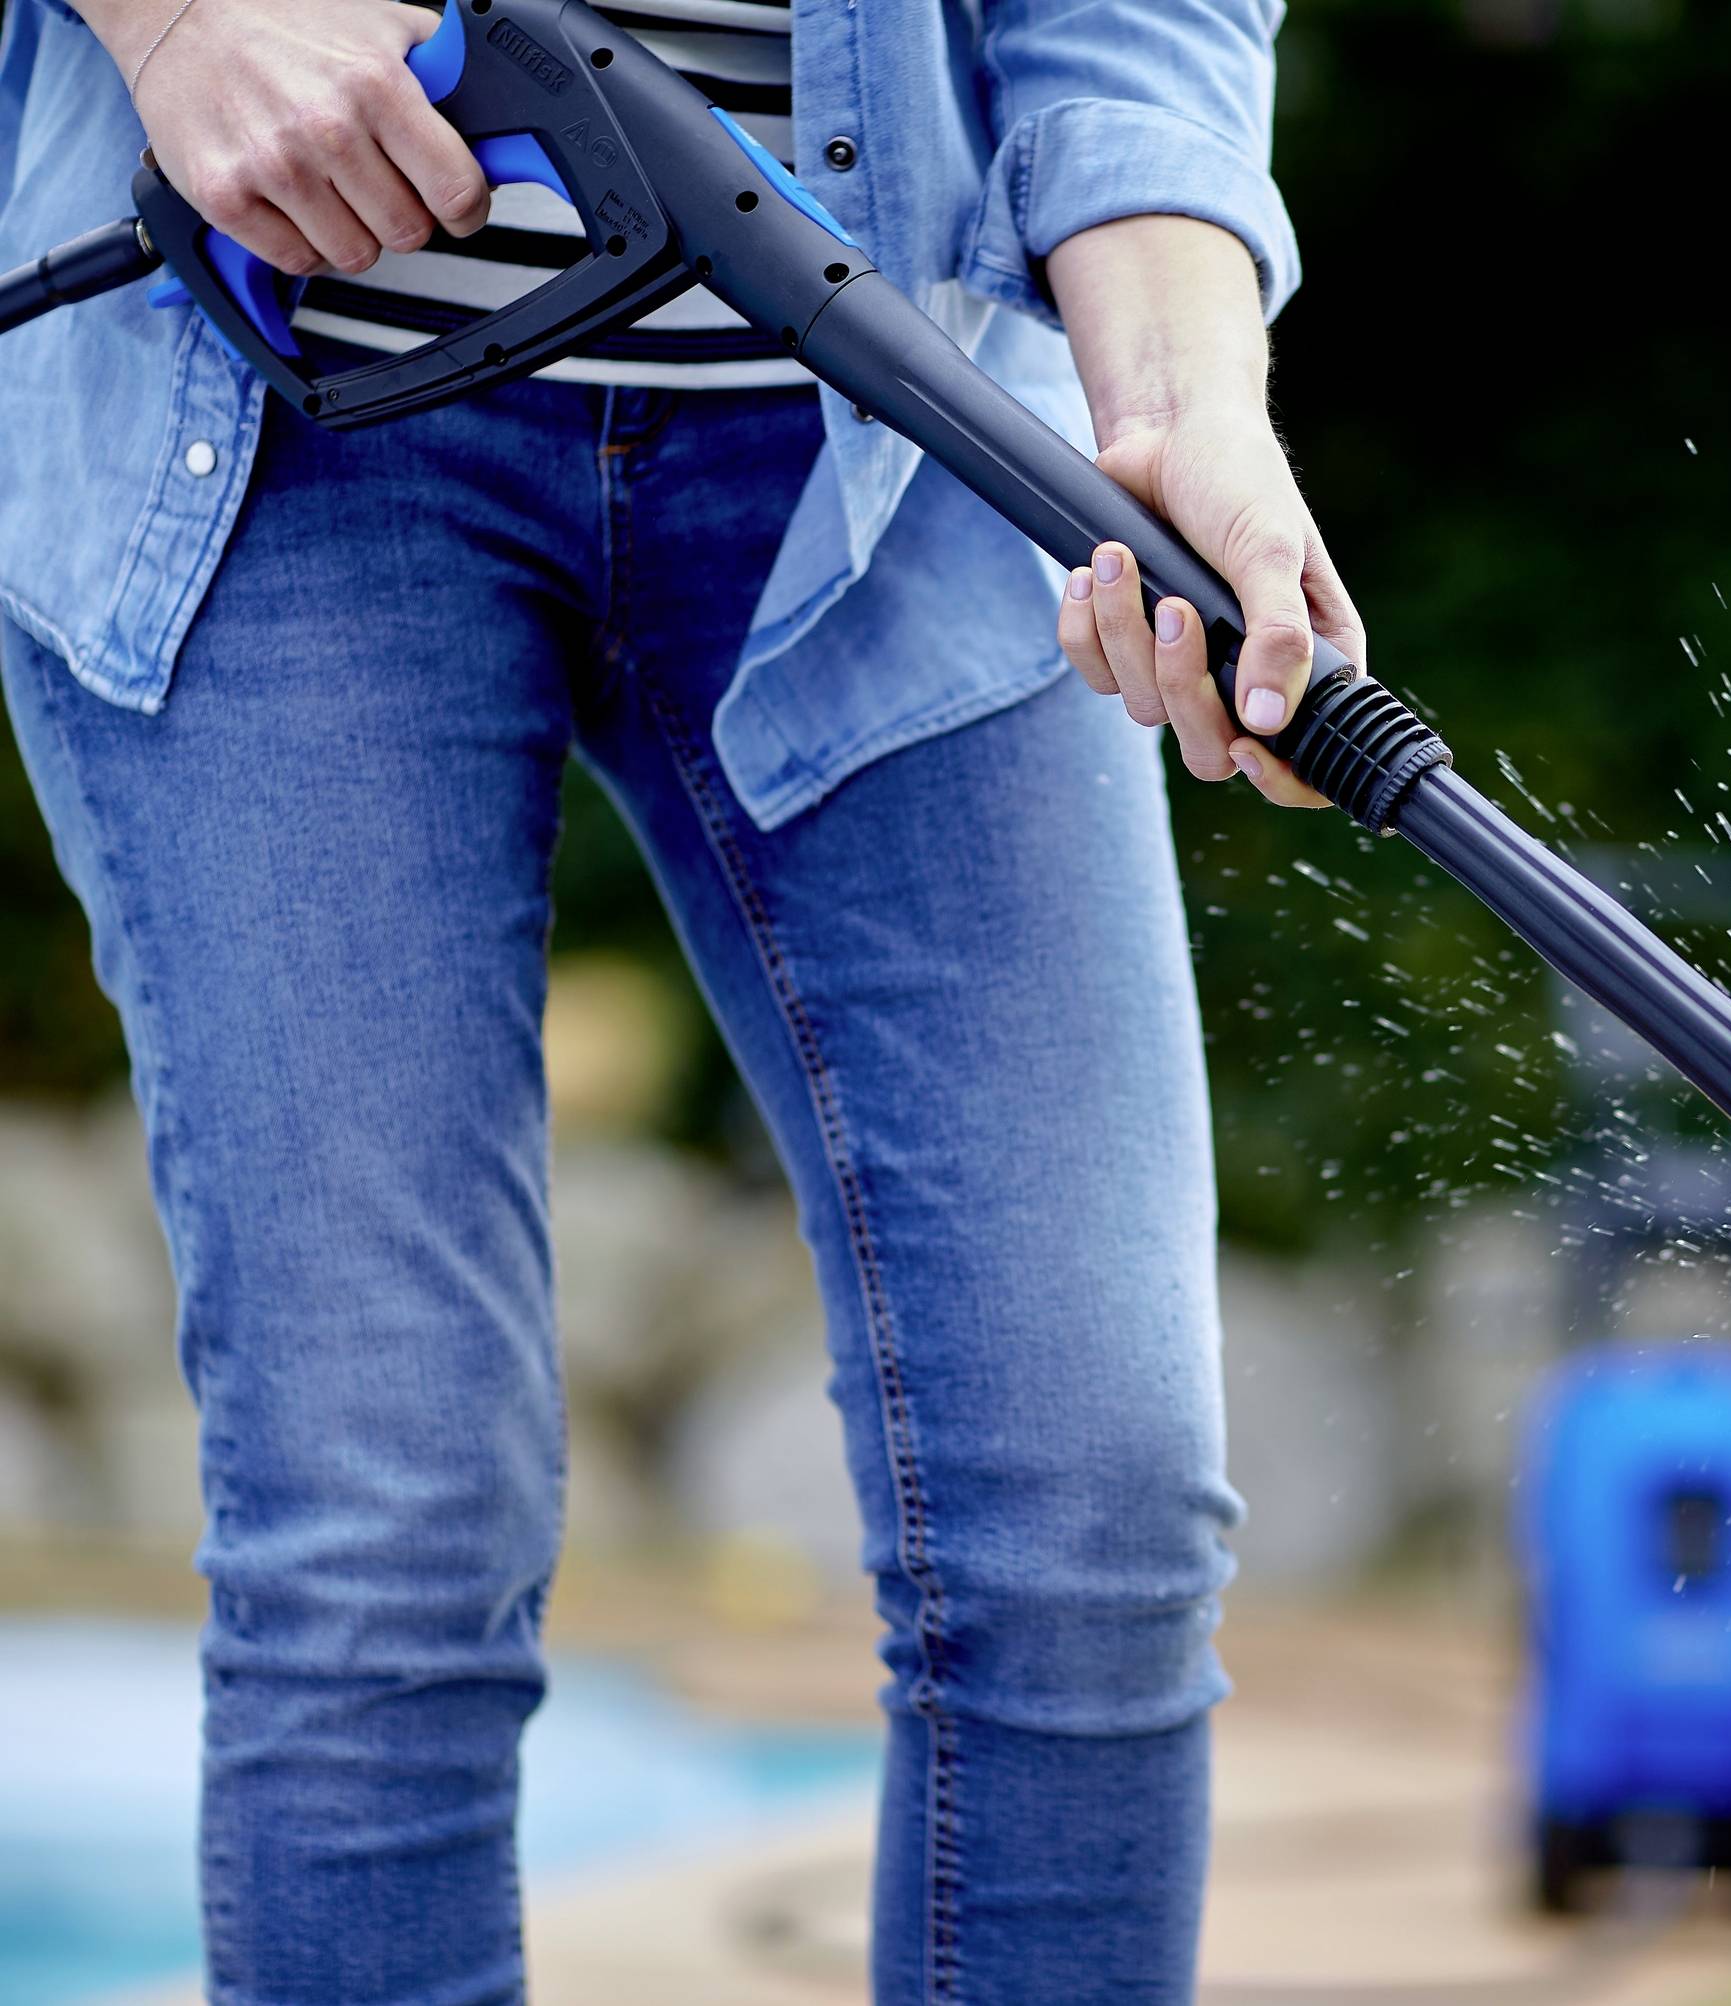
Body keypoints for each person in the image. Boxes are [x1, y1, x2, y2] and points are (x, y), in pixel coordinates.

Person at [0, 0, 1352, 1998]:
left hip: (895, 406)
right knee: (385, 1540)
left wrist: (1185, 399)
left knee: (1090, 1517)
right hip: (275, 406)